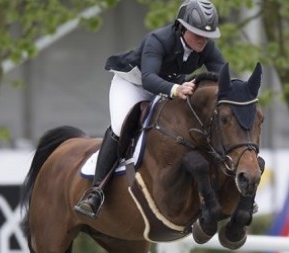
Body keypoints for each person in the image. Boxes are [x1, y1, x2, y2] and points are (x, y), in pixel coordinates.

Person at [74, 0, 226, 218]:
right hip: (133, 84)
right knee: (120, 126)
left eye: (207, 35)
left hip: (171, 86)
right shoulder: (158, 40)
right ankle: (96, 192)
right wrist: (175, 89)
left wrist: (238, 92)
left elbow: (222, 75)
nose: (202, 39)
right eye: (197, 32)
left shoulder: (206, 47)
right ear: (182, 27)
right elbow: (149, 79)